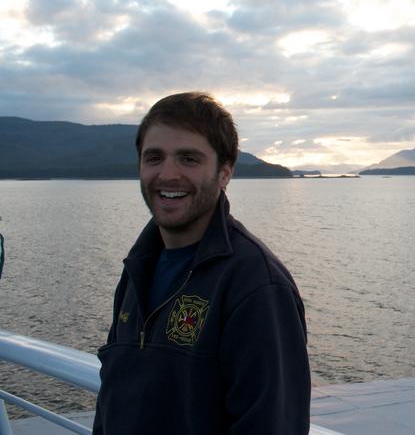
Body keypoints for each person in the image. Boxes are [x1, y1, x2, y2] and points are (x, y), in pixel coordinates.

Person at [94, 92, 310, 434]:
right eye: (154, 157)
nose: (168, 174)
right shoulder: (138, 267)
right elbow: (112, 397)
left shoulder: (256, 285)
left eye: (188, 159)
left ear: (224, 172)